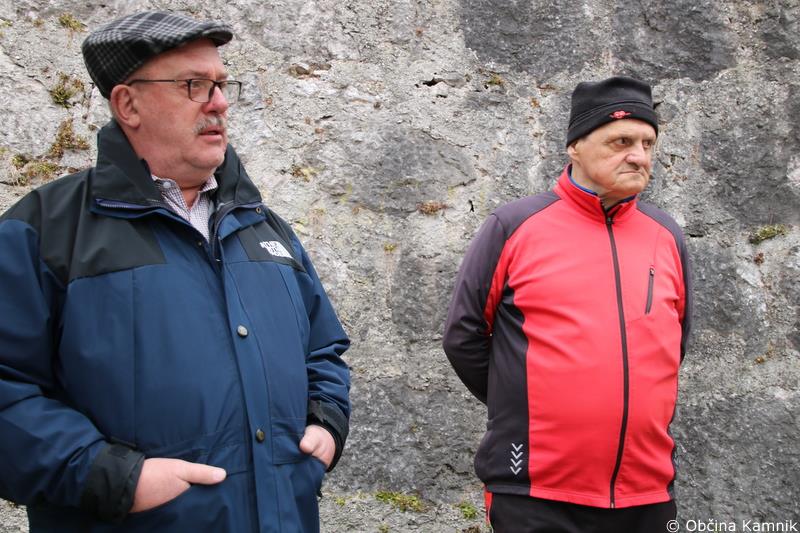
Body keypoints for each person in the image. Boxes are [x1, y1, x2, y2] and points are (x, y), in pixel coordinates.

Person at [0, 11, 350, 532]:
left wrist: (326, 423)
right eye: (194, 85)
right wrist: (113, 478)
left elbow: (323, 351)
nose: (219, 103)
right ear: (128, 104)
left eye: (222, 85)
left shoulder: (264, 228)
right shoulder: (44, 232)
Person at [442, 76, 692, 533]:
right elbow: (463, 336)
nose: (639, 156)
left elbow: (674, 345)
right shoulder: (515, 226)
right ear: (575, 146)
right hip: (536, 491)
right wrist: (527, 404)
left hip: (647, 493)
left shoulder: (666, 235)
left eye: (647, 144)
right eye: (621, 142)